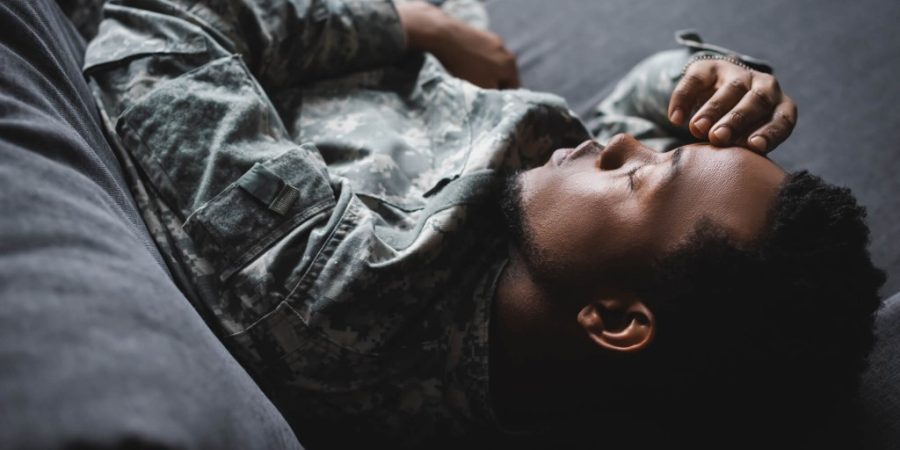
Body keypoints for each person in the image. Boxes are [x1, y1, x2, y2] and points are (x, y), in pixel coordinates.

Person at [82, 0, 884, 447]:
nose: (621, 145)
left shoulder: (334, 286)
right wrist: (725, 78)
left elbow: (158, 26)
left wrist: (409, 26)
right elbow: (646, 105)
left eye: (643, 174)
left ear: (614, 320)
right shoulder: (566, 256)